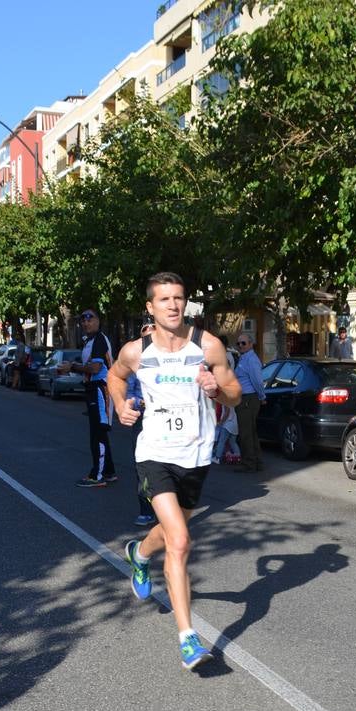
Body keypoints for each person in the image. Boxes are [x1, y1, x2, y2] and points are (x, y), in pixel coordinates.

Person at [107, 272, 242, 671]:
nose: (172, 305)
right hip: (154, 455)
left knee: (169, 535)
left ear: (186, 303)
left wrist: (217, 391)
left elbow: (236, 394)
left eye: (178, 298)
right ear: (150, 307)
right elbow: (115, 377)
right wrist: (120, 405)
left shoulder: (208, 345)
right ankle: (188, 639)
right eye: (164, 299)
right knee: (180, 541)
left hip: (196, 458)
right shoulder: (136, 351)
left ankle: (139, 552)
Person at [59, 310, 116, 487]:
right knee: (99, 433)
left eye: (90, 319)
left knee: (97, 434)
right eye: (83, 320)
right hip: (93, 389)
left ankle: (96, 476)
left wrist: (73, 366)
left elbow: (95, 368)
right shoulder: (89, 341)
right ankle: (108, 471)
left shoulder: (99, 339)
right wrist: (70, 367)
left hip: (101, 390)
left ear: (98, 321)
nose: (86, 323)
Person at [127, 323, 157, 527]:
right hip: (144, 420)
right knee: (143, 466)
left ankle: (168, 507)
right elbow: (129, 394)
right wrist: (139, 402)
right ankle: (146, 510)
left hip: (168, 422)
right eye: (145, 338)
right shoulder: (135, 365)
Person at [232, 333, 266, 472]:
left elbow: (257, 381)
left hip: (248, 399)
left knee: (246, 433)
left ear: (251, 344)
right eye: (238, 343)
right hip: (245, 398)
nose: (240, 346)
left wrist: (262, 396)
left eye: (243, 343)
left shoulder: (251, 359)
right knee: (250, 432)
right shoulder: (244, 358)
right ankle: (257, 461)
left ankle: (249, 463)